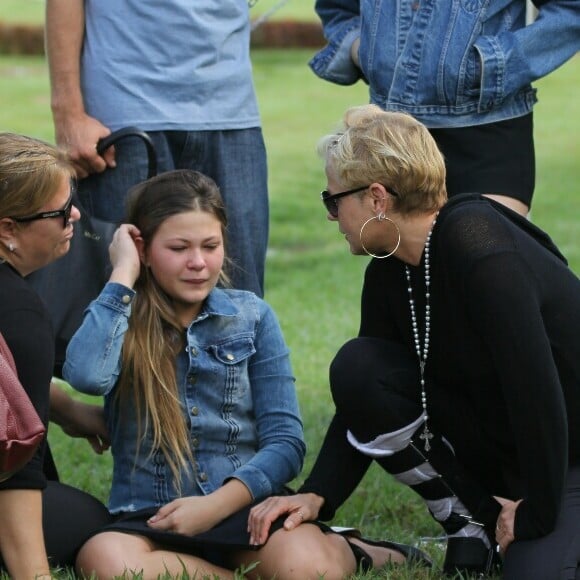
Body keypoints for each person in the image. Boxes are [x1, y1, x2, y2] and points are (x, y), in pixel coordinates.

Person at [247, 105, 580, 578]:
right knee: (359, 366)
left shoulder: (474, 238)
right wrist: (319, 494)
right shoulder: (391, 272)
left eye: (333, 199)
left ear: (376, 198)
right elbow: (361, 396)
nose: (331, 215)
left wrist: (537, 513)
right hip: (514, 450)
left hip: (568, 449)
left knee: (536, 572)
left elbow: (537, 388)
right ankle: (474, 523)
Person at [62, 169, 431, 579]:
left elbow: (286, 442)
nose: (198, 263)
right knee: (103, 559)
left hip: (244, 509)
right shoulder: (118, 317)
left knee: (303, 567)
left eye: (210, 245)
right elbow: (87, 376)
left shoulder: (251, 316)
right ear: (143, 250)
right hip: (154, 518)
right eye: (179, 248)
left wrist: (214, 507)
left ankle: (359, 550)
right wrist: (122, 275)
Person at [45, 0, 268, 296]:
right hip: (122, 110)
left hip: (232, 110)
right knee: (125, 297)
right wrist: (68, 112)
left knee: (239, 300)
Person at [309, 0, 580, 216]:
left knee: (484, 270)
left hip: (485, 136)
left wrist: (490, 63)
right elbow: (337, 8)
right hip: (392, 142)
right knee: (402, 281)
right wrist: (364, 51)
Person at [0, 132, 112, 578]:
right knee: (91, 523)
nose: (76, 216)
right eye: (62, 212)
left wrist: (64, 407)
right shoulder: (17, 310)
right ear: (8, 228)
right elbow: (14, 466)